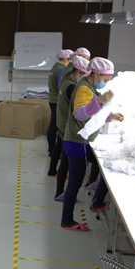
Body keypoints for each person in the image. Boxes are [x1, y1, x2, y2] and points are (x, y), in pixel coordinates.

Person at [61, 57, 124, 231]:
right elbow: (80, 113)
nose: (106, 83)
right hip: (77, 143)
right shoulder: (83, 88)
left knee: (102, 166)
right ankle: (67, 220)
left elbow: (94, 113)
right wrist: (100, 101)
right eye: (105, 79)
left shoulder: (89, 87)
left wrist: (110, 116)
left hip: (81, 142)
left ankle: (97, 201)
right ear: (96, 74)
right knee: (74, 183)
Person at [51, 55, 90, 201]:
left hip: (62, 125)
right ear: (79, 73)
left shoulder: (65, 81)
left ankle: (59, 192)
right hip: (66, 127)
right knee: (66, 163)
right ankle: (62, 194)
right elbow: (79, 111)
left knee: (64, 161)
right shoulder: (72, 87)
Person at [47, 49, 74, 156]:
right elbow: (61, 86)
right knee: (55, 126)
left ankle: (51, 149)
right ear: (66, 59)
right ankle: (52, 150)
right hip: (56, 101)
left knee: (53, 125)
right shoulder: (61, 69)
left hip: (52, 99)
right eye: (70, 61)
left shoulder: (55, 67)